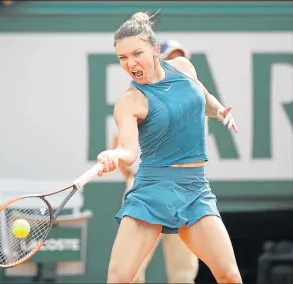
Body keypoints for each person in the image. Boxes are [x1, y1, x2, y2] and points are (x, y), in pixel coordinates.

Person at [97, 11, 241, 284]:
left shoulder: (184, 68)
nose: (130, 64)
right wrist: (115, 154)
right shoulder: (130, 101)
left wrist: (221, 111)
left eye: (136, 54)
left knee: (229, 275)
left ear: (154, 50)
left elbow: (204, 97)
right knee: (119, 279)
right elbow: (129, 149)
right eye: (122, 58)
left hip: (195, 189)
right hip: (153, 189)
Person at [111, 40, 199, 284]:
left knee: (183, 273)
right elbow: (120, 144)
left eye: (180, 58)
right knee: (132, 271)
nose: (177, 64)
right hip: (147, 189)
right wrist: (130, 174)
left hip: (183, 190)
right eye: (170, 58)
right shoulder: (139, 98)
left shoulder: (192, 99)